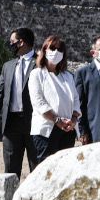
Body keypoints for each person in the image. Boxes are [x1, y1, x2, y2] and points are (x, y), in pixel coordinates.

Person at [0, 27, 38, 178]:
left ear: (21, 42)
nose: (10, 45)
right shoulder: (8, 66)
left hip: (35, 123)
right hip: (11, 124)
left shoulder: (41, 62)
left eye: (12, 42)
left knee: (37, 168)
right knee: (10, 171)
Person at [28, 35, 81, 163]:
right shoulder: (37, 74)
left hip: (67, 129)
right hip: (47, 129)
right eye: (52, 48)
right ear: (45, 51)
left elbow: (75, 99)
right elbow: (38, 101)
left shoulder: (67, 76)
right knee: (47, 167)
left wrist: (74, 119)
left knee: (65, 167)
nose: (56, 52)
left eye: (60, 49)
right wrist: (56, 120)